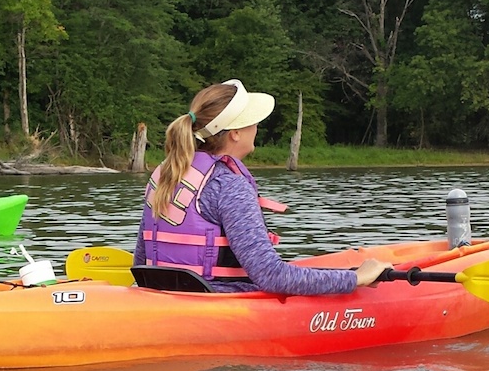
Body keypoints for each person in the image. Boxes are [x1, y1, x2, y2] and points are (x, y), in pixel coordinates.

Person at [135, 79, 391, 294]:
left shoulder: (164, 175)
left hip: (163, 300)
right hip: (218, 309)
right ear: (235, 133)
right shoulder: (228, 185)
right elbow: (271, 276)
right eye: (253, 122)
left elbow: (140, 263)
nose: (257, 128)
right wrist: (356, 279)